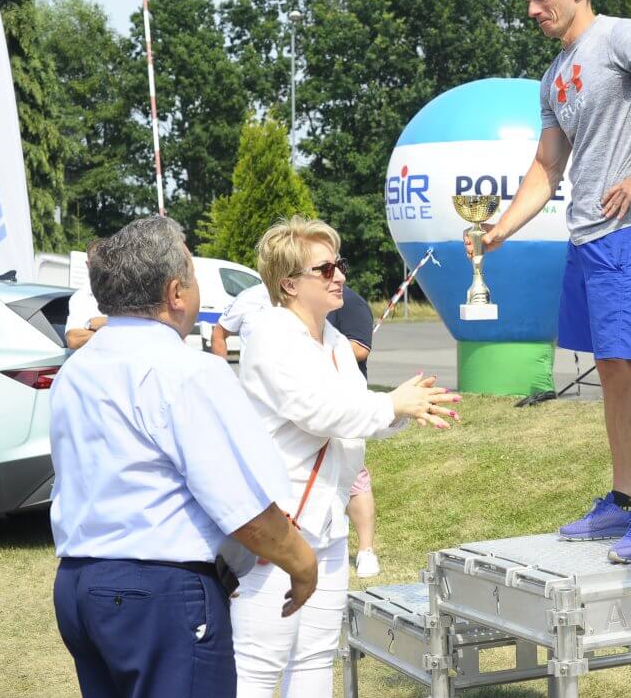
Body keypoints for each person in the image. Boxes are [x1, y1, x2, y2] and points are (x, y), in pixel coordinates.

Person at [466, 0, 631, 563]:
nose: (531, 9)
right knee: (611, 368)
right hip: (586, 237)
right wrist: (499, 230)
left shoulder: (622, 38)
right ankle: (624, 500)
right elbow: (548, 166)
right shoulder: (554, 76)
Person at [49, 216, 318, 698]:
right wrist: (303, 565)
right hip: (158, 593)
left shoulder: (78, 368)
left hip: (80, 585)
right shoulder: (186, 371)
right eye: (193, 275)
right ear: (176, 292)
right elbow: (244, 510)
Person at [231, 216, 460, 697]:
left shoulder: (333, 342)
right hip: (277, 527)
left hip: (327, 525)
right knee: (258, 664)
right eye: (326, 268)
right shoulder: (271, 337)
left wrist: (405, 409)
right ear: (289, 284)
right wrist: (392, 404)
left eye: (340, 264)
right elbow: (321, 412)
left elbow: (354, 417)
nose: (339, 276)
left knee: (315, 658)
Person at [326, 284, 381, 578]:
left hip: (345, 403)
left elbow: (360, 347)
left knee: (354, 475)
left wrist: (318, 349)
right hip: (312, 402)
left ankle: (366, 551)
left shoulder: (351, 302)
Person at [64, 239, 107, 349]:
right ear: (88, 264)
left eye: (106, 260)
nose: (102, 266)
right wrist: (114, 327)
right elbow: (73, 340)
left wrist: (97, 325)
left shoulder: (127, 292)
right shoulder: (80, 298)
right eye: (97, 261)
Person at [210, 281, 270, 358]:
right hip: (251, 369)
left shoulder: (289, 297)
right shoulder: (250, 297)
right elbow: (218, 334)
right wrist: (221, 369)